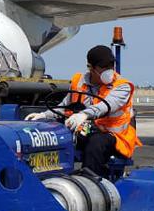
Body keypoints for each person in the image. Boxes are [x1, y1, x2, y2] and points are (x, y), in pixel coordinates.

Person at [25, 45, 141, 177]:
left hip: (115, 137)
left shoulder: (122, 86)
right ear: (91, 67)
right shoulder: (79, 82)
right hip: (88, 131)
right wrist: (43, 115)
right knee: (57, 137)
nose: (109, 71)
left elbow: (106, 105)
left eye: (111, 66)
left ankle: (90, 182)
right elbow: (65, 107)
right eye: (103, 67)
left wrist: (84, 114)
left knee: (96, 143)